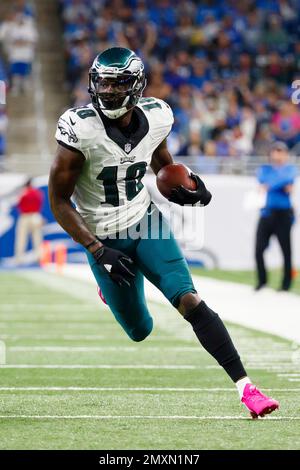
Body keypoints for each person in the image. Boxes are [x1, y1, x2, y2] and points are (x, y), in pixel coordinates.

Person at [49, 47, 279, 418]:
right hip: (103, 238)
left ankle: (247, 388)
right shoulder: (80, 129)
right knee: (140, 329)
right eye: (102, 82)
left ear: (135, 86)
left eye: (117, 82)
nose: (107, 90)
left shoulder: (157, 116)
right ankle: (109, 288)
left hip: (146, 222)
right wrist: (96, 250)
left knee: (189, 299)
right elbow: (59, 201)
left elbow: (161, 162)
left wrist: (184, 186)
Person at [255, 141, 297, 291]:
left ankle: (286, 285)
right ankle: (262, 281)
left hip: (283, 214)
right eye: (275, 151)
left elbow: (287, 181)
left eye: (281, 151)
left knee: (286, 250)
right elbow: (263, 181)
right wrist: (281, 184)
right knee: (259, 249)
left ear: (286, 154)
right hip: (267, 213)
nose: (278, 154)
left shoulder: (290, 169)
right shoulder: (265, 169)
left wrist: (270, 184)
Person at [15, 178, 44, 264]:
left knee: (21, 238)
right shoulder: (37, 192)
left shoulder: (23, 193)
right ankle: (39, 258)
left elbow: (18, 204)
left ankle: (19, 259)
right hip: (36, 216)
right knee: (37, 238)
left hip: (25, 216)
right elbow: (40, 203)